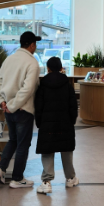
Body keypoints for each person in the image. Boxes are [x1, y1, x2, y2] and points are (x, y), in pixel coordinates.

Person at [0, 31, 42, 188]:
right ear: (32, 45)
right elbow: (28, 89)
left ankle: (1, 169)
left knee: (13, 140)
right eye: (35, 44)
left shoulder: (9, 59)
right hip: (23, 110)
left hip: (7, 109)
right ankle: (17, 179)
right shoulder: (32, 63)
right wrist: (13, 106)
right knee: (23, 145)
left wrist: (2, 102)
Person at [34, 57, 79, 194]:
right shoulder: (67, 84)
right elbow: (73, 106)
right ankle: (70, 178)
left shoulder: (43, 85)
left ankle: (46, 182)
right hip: (65, 123)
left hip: (47, 124)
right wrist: (72, 121)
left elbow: (38, 106)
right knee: (66, 150)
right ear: (61, 68)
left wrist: (39, 123)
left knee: (47, 150)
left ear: (48, 68)